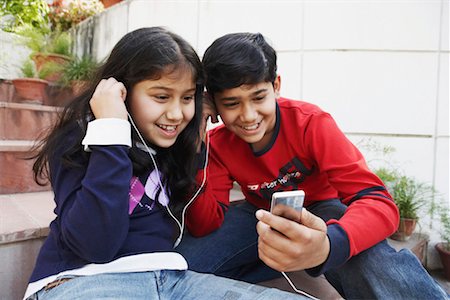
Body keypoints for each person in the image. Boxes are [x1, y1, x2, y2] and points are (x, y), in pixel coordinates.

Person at [23, 27, 308, 300]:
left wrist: (196, 138)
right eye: (161, 96)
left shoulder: (173, 146)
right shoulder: (85, 138)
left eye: (187, 98)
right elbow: (95, 245)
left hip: (172, 280)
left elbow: (205, 223)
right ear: (122, 91)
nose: (175, 114)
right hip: (83, 280)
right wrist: (111, 130)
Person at [177, 32, 449, 299]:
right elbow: (204, 224)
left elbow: (378, 202)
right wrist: (196, 142)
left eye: (259, 98)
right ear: (212, 102)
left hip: (322, 213)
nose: (248, 116)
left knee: (369, 256)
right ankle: (285, 259)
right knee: (179, 264)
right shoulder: (217, 143)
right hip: (259, 215)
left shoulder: (311, 123)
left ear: (276, 86)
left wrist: (329, 245)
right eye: (231, 103)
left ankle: (309, 258)